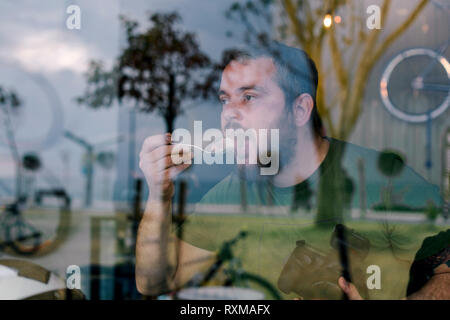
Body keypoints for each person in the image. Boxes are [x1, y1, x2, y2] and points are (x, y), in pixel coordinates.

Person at [135, 41, 449, 299]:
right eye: (224, 100)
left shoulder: (382, 179)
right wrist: (159, 195)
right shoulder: (233, 191)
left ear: (299, 110)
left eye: (249, 97)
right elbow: (156, 284)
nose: (229, 114)